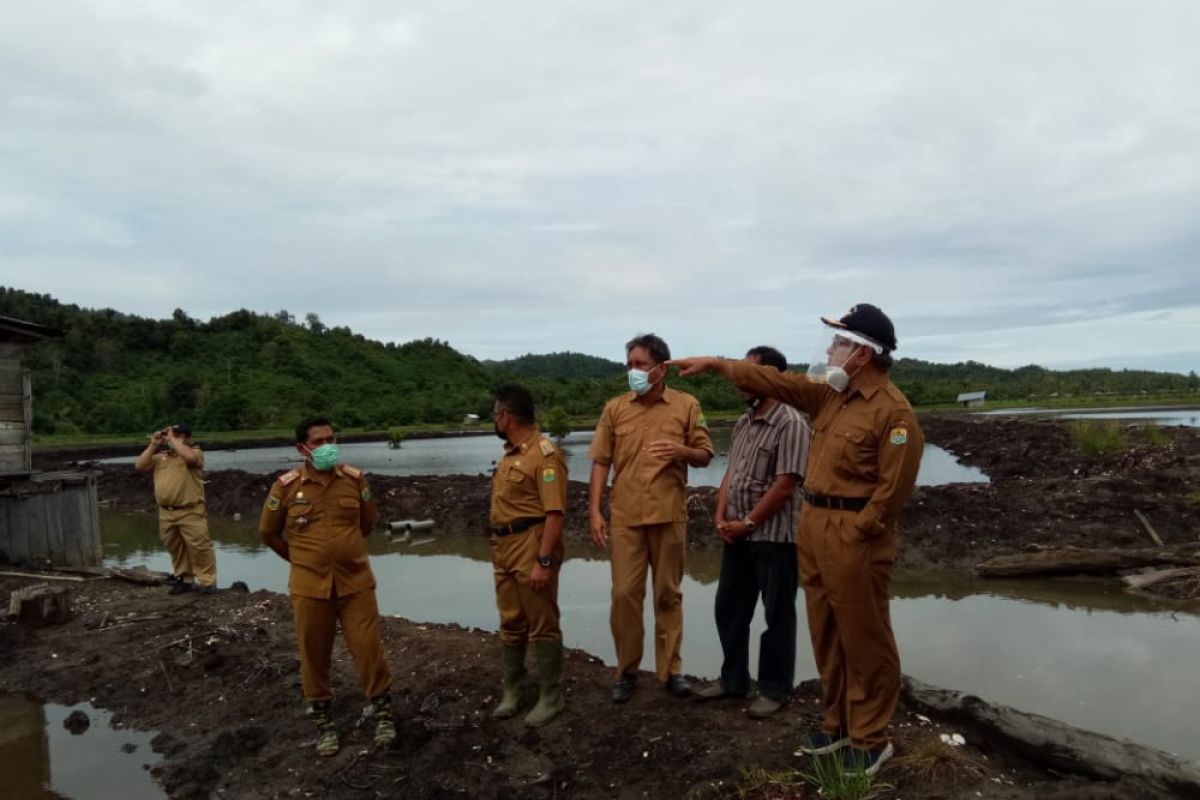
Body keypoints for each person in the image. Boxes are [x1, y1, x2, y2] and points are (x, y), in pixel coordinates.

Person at [672, 304, 923, 775]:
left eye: (839, 342)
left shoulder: (895, 414)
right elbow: (776, 383)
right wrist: (716, 363)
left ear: (863, 354)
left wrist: (859, 531)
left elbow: (891, 495)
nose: (830, 350)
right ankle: (838, 724)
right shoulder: (831, 397)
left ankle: (871, 738)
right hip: (815, 526)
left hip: (854, 535)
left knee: (865, 638)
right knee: (826, 632)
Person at [258, 416, 395, 758]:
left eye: (331, 439)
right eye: (318, 442)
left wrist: (342, 553)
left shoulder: (355, 480)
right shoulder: (286, 487)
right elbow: (268, 533)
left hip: (355, 583)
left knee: (368, 649)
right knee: (313, 656)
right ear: (302, 448)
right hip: (309, 588)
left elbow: (367, 523)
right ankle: (324, 725)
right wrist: (302, 560)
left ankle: (383, 715)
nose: (326, 446)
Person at [588, 333, 715, 703]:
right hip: (625, 515)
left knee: (668, 595)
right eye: (629, 365)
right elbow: (600, 461)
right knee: (624, 594)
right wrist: (595, 510)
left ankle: (671, 671)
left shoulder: (687, 405)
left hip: (668, 514)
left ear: (661, 369)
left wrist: (682, 450)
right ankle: (626, 670)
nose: (633, 371)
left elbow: (706, 454)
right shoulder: (615, 409)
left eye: (640, 365)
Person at [692, 346, 810, 719]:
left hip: (774, 536)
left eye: (748, 374)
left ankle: (774, 688)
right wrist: (720, 514)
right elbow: (731, 474)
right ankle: (734, 680)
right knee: (729, 607)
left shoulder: (790, 422)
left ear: (771, 378)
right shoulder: (744, 424)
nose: (739, 382)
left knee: (777, 614)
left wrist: (750, 522)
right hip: (738, 534)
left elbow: (786, 482)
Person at [488, 384, 569, 727]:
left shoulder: (544, 454)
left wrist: (544, 561)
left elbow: (555, 513)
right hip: (504, 547)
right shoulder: (511, 454)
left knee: (542, 622)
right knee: (510, 620)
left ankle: (551, 696)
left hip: (531, 545)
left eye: (495, 414)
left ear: (506, 417)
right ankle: (514, 690)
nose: (494, 419)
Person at [134, 423, 217, 595]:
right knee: (175, 546)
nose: (172, 438)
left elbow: (191, 460)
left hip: (190, 510)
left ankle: (207, 582)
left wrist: (174, 439)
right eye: (172, 434)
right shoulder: (161, 457)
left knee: (199, 547)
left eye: (178, 435)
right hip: (166, 512)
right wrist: (154, 444)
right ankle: (184, 579)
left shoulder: (195, 453)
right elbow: (140, 466)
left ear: (187, 438)